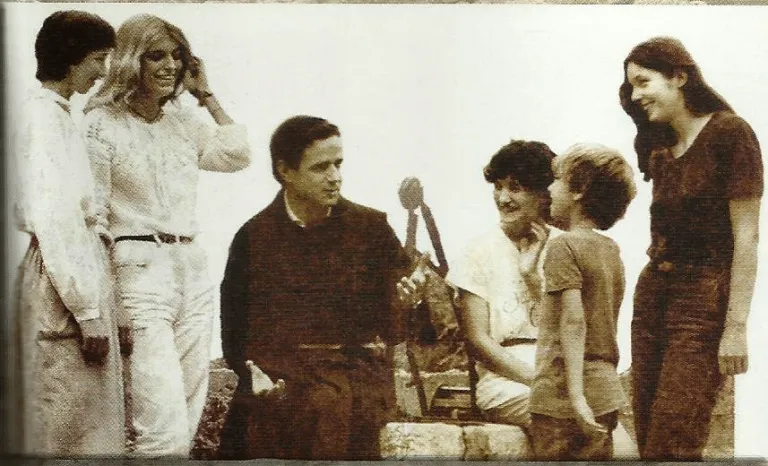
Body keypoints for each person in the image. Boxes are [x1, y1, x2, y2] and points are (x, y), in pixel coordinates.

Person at [82, 14, 251, 457]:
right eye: (156, 56)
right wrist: (112, 301)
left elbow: (237, 156)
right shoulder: (101, 123)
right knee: (161, 431)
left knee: (188, 423)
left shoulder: (183, 122)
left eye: (177, 56)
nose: (170, 65)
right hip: (137, 273)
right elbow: (93, 220)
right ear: (131, 60)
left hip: (191, 270)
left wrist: (206, 95)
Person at [218, 115, 425, 460]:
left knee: (330, 406)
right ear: (285, 170)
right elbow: (235, 331)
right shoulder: (254, 237)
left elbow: (393, 330)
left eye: (338, 164)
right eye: (320, 167)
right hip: (281, 374)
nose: (335, 177)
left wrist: (408, 303)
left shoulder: (371, 228)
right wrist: (253, 373)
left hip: (354, 375)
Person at [620, 36, 763, 460]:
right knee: (648, 433)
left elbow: (747, 236)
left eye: (644, 82)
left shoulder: (730, 133)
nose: (635, 95)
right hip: (653, 296)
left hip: (704, 298)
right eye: (631, 86)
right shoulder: (658, 147)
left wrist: (736, 327)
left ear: (679, 77)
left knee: (675, 436)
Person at [9, 11, 127, 456]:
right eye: (98, 60)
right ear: (71, 59)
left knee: (92, 422)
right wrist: (86, 309)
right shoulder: (42, 119)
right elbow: (55, 218)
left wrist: (106, 304)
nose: (103, 72)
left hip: (79, 270)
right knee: (65, 422)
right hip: (62, 279)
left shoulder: (60, 116)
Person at [528, 143, 636, 460]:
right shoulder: (610, 249)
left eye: (557, 179)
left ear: (579, 190)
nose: (549, 188)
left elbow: (574, 321)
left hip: (561, 396)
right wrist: (531, 277)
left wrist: (576, 397)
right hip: (605, 391)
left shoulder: (563, 246)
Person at [446, 140, 558, 427]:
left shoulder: (564, 246)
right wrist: (535, 379)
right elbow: (478, 340)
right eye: (498, 187)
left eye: (515, 188)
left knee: (618, 439)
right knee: (566, 418)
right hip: (506, 380)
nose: (503, 198)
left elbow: (572, 325)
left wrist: (532, 278)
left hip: (562, 371)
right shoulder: (479, 251)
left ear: (543, 194)